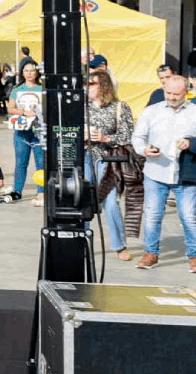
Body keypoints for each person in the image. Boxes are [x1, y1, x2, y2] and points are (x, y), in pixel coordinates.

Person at [130, 74, 196, 271]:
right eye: (169, 93)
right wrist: (143, 150)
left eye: (177, 94)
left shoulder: (194, 112)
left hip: (185, 174)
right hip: (156, 172)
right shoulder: (151, 111)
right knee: (152, 215)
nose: (173, 97)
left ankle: (194, 255)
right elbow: (137, 137)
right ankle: (150, 253)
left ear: (186, 92)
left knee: (189, 216)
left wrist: (190, 143)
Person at [84, 70, 141, 259]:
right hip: (84, 157)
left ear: (103, 86)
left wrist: (105, 137)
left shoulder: (119, 107)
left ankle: (119, 245)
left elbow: (128, 137)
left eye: (91, 84)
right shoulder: (80, 107)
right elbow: (65, 131)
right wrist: (80, 135)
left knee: (110, 202)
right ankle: (81, 242)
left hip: (108, 160)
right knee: (82, 199)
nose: (87, 87)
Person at [7, 61, 45, 200]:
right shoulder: (17, 89)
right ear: (22, 73)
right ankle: (17, 190)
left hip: (39, 130)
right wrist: (23, 112)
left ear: (37, 72)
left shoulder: (42, 88)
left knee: (41, 162)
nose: (29, 74)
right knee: (20, 161)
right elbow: (10, 108)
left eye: (32, 70)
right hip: (21, 130)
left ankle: (41, 190)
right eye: (26, 71)